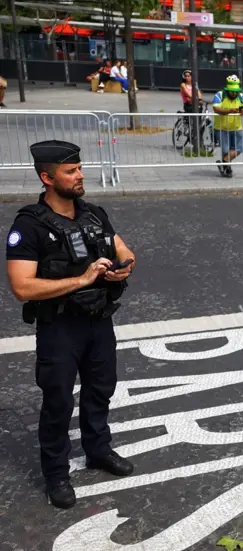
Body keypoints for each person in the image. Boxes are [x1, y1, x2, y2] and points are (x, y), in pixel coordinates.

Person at [5, 140, 136, 508]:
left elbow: (120, 246)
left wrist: (124, 264)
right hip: (59, 329)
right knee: (58, 401)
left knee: (100, 390)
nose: (80, 176)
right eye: (70, 171)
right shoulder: (28, 226)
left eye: (79, 169)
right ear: (47, 177)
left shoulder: (93, 213)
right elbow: (21, 286)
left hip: (98, 322)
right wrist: (81, 280)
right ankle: (56, 475)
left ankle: (98, 450)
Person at [212, 75, 243, 178]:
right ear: (227, 89)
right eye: (232, 92)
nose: (234, 94)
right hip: (221, 127)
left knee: (239, 148)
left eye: (236, 91)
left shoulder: (241, 96)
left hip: (236, 127)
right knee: (226, 150)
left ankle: (224, 162)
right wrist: (230, 111)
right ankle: (227, 168)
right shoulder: (220, 95)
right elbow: (216, 109)